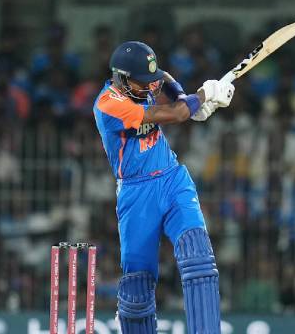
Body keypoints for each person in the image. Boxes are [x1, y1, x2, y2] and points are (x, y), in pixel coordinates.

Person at [92, 41, 234, 333]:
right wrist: (202, 97)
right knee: (137, 289)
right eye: (141, 83)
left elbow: (164, 78)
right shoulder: (109, 104)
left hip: (172, 179)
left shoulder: (143, 81)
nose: (148, 88)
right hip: (136, 192)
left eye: (149, 82)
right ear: (120, 77)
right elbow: (172, 116)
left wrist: (183, 96)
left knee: (198, 259)